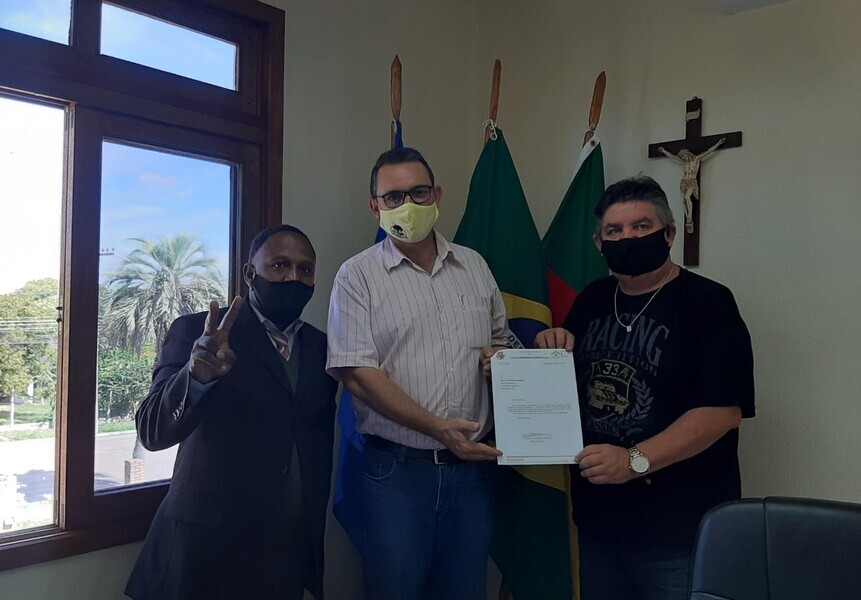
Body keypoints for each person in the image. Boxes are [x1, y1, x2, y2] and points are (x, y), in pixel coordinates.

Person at [535, 176, 755, 600]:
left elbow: (721, 413)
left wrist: (634, 461)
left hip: (677, 529)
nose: (628, 238)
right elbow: (568, 387)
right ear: (599, 243)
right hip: (599, 522)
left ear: (669, 234)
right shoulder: (593, 299)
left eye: (641, 226)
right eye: (614, 231)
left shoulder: (709, 303)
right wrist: (546, 350)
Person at [326, 147, 510, 600]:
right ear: (376, 208)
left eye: (419, 192)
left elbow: (501, 342)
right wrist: (436, 428)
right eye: (393, 197)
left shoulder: (474, 266)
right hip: (397, 474)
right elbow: (357, 374)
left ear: (437, 196)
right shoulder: (356, 276)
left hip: (471, 474)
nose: (407, 204)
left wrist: (504, 360)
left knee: (465, 591)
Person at [125, 225, 337, 600]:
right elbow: (152, 430)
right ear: (250, 274)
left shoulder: (323, 348)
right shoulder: (197, 332)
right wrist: (195, 377)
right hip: (203, 554)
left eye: (305, 269)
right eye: (280, 265)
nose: (293, 277)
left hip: (285, 558)